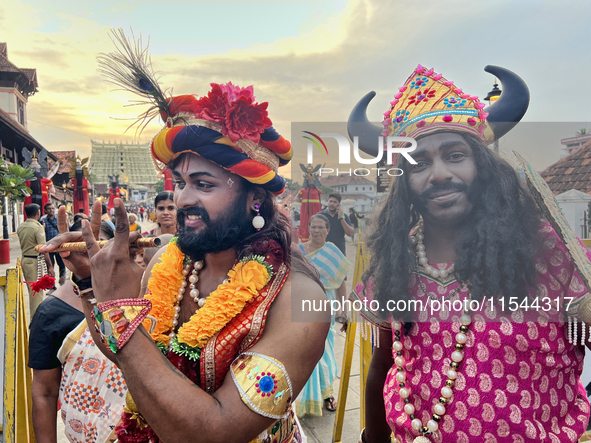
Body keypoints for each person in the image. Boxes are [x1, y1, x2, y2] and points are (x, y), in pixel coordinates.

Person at [41, 43, 328, 443]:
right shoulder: (165, 261)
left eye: (204, 184)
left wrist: (116, 312)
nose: (183, 200)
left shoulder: (299, 300)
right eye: (180, 183)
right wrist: (93, 286)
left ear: (255, 198)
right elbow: (130, 361)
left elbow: (218, 432)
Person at [348, 64, 591, 442]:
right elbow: (383, 365)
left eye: (455, 155)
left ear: (482, 164)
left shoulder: (543, 248)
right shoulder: (395, 261)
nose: (439, 173)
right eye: (420, 163)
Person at [29, 220, 121, 443]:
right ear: (66, 252)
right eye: (84, 247)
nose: (93, 255)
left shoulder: (142, 294)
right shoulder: (51, 312)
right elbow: (45, 392)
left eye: (99, 246)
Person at [295, 214, 351, 417]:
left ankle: (327, 394)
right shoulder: (298, 251)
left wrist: (343, 309)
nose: (317, 230)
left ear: (327, 230)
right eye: (314, 227)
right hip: (302, 304)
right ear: (308, 228)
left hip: (325, 304)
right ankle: (303, 394)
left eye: (321, 227)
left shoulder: (332, 252)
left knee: (324, 348)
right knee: (303, 349)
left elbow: (341, 282)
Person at [17, 203, 54, 320]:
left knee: (32, 290)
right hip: (35, 261)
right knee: (36, 293)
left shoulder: (21, 227)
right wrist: (50, 266)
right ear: (38, 213)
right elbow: (43, 249)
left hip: (25, 259)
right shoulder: (37, 228)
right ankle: (35, 320)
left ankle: (35, 318)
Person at [40, 202, 66, 286]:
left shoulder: (59, 219)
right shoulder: (42, 220)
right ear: (45, 211)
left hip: (59, 246)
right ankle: (51, 286)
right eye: (49, 209)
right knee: (50, 266)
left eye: (53, 208)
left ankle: (62, 283)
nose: (51, 210)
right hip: (48, 247)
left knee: (62, 265)